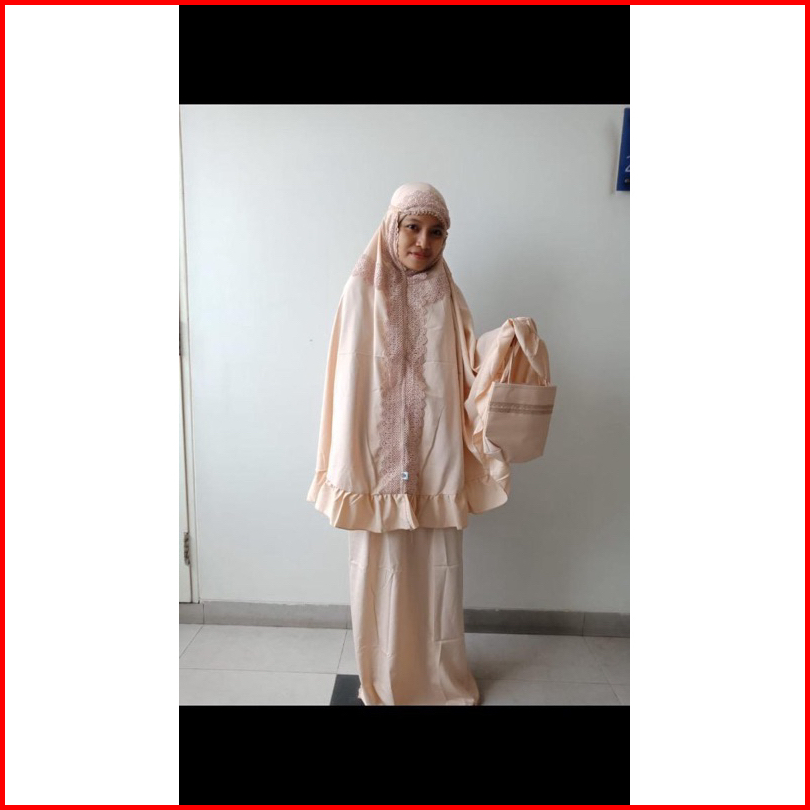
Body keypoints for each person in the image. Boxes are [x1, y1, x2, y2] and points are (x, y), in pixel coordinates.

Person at [306, 182, 513, 706]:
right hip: (376, 458)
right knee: (378, 568)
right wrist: (352, 454)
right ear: (391, 227)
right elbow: (346, 381)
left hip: (434, 454)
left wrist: (505, 345)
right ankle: (382, 676)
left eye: (436, 232)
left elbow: (468, 366)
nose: (423, 241)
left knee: (437, 570)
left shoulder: (448, 294)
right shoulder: (361, 291)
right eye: (413, 227)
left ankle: (437, 677)